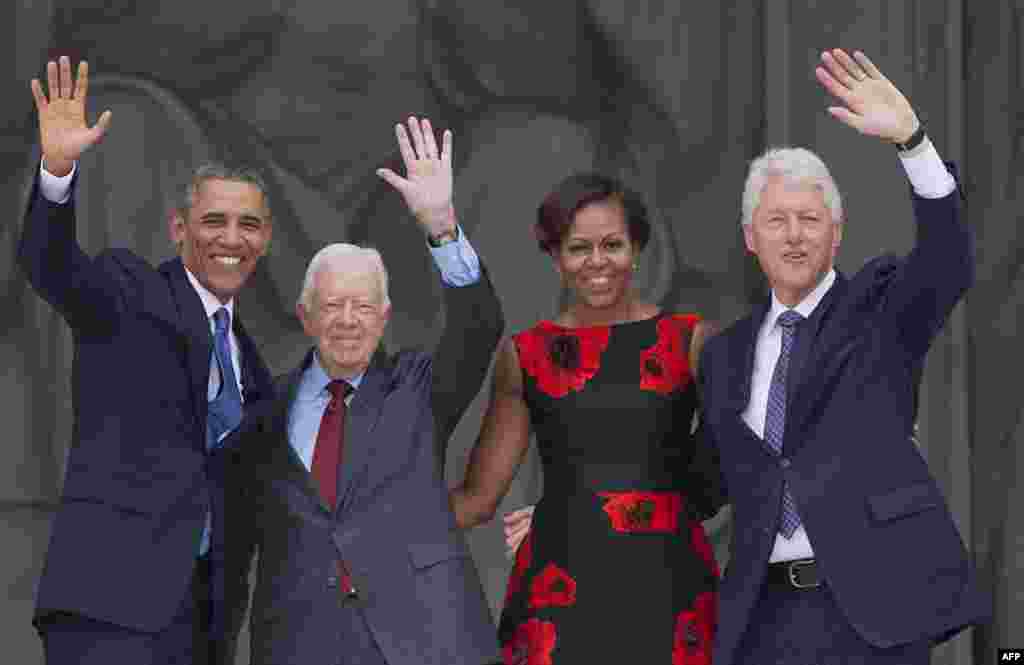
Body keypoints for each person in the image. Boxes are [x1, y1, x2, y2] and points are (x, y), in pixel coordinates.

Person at [696, 49, 991, 664]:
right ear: (751, 239)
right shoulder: (723, 356)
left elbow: (948, 262)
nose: (795, 234)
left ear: (839, 230)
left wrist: (912, 143)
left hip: (871, 612)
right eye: (776, 220)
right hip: (763, 620)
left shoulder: (881, 309)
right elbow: (698, 482)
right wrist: (575, 509)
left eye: (810, 218)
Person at [217, 117, 504, 665]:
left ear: (385, 317)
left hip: (420, 643)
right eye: (332, 306)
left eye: (363, 306)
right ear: (305, 316)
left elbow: (479, 327)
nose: (347, 321)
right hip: (300, 646)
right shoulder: (264, 408)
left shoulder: (418, 389)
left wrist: (440, 224)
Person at [19, 57, 275, 664]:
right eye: (213, 221)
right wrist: (57, 170)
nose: (230, 238)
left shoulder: (252, 361)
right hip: (110, 611)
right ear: (178, 229)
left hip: (202, 626)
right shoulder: (128, 293)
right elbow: (50, 263)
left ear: (265, 240)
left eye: (248, 224)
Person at [448, 171, 725, 664]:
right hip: (559, 590)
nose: (597, 262)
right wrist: (374, 532)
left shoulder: (692, 341)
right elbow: (478, 498)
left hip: (668, 585)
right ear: (555, 257)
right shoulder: (526, 354)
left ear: (637, 248)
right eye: (579, 248)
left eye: (612, 244)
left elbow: (735, 459)